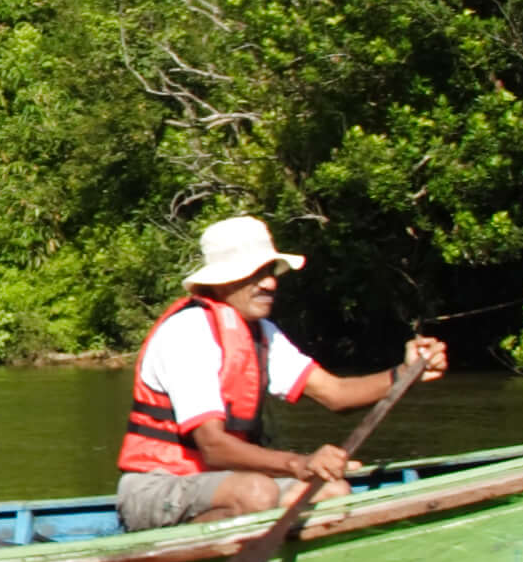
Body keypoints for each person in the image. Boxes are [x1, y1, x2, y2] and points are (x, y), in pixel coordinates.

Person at [115, 216, 447, 533]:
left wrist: (405, 373)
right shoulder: (187, 333)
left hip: (227, 481)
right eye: (255, 274)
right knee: (257, 493)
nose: (271, 283)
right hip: (154, 488)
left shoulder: (262, 333)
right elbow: (213, 447)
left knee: (332, 492)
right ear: (220, 281)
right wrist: (299, 464)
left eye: (271, 271)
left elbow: (337, 394)